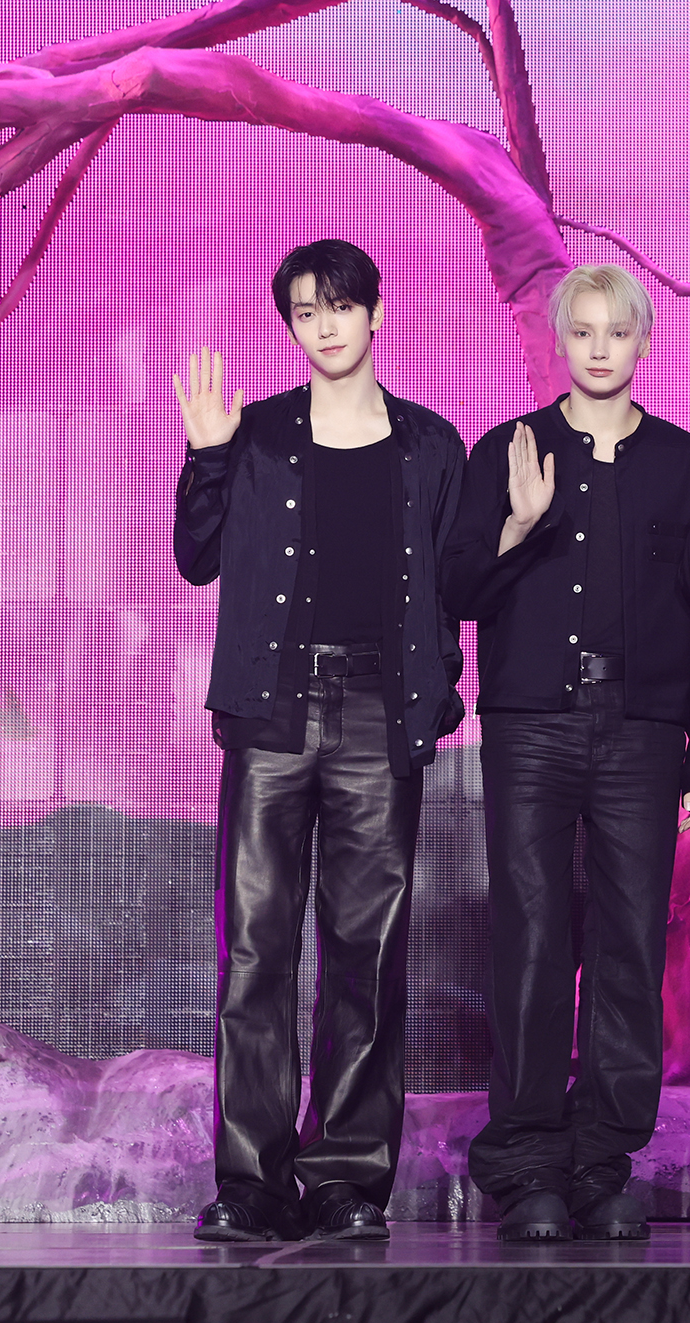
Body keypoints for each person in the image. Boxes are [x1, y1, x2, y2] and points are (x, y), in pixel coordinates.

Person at [172, 239, 468, 1243]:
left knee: (364, 954)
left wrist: (439, 695)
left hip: (379, 711)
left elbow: (451, 585)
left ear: (376, 313)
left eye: (341, 306)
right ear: (292, 327)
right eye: (305, 312)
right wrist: (208, 456)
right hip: (272, 712)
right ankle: (251, 1182)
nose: (325, 325)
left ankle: (345, 1178)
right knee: (256, 950)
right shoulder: (254, 434)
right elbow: (196, 559)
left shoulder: (430, 445)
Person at [440, 265, 690, 1242]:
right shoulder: (507, 449)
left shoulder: (682, 463)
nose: (600, 348)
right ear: (560, 342)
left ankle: (602, 1163)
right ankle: (527, 1167)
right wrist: (517, 523)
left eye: (617, 331)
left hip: (642, 730)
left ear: (643, 342)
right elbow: (457, 588)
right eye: (583, 331)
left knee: (629, 945)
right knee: (531, 938)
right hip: (531, 724)